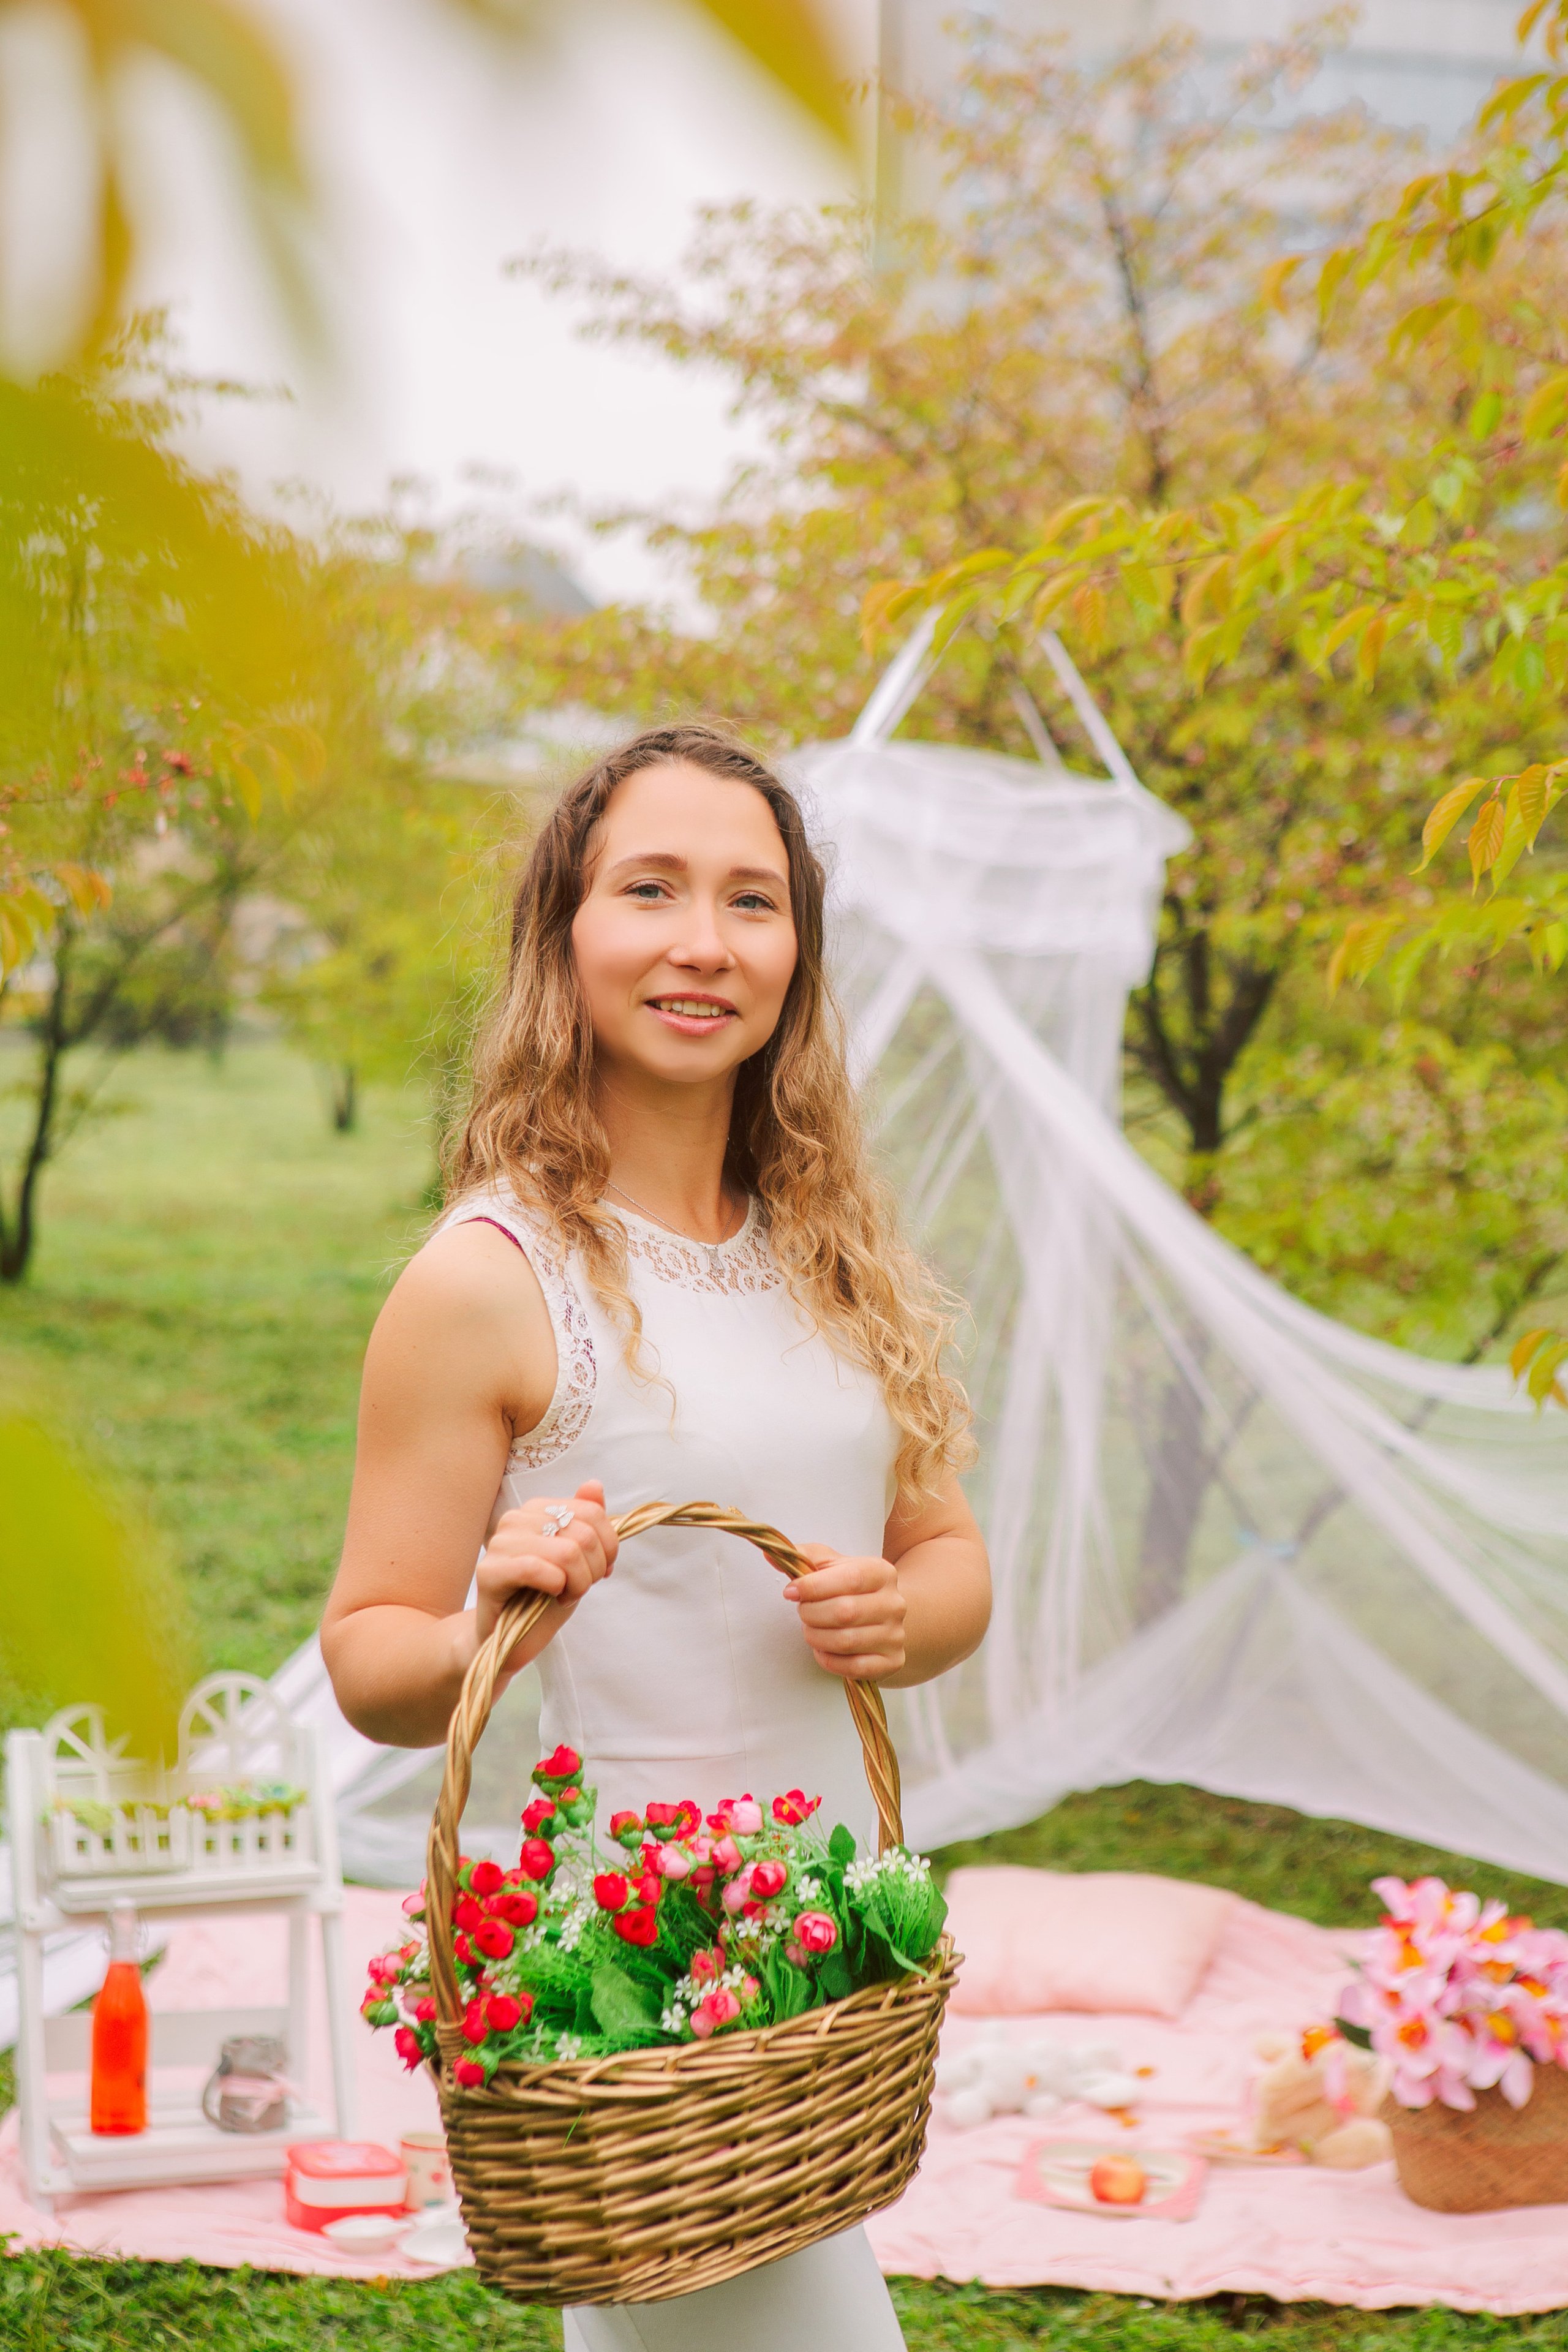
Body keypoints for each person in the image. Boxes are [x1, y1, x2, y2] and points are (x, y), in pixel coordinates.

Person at [320, 722, 991, 2350]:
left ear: (797, 956)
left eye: (753, 901)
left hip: (834, 1961)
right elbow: (369, 1663)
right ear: (564, 935)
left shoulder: (836, 1251)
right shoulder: (490, 1277)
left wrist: (906, 1618)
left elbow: (950, 1557)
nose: (705, 941)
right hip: (654, 1990)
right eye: (651, 890)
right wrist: (490, 1619)